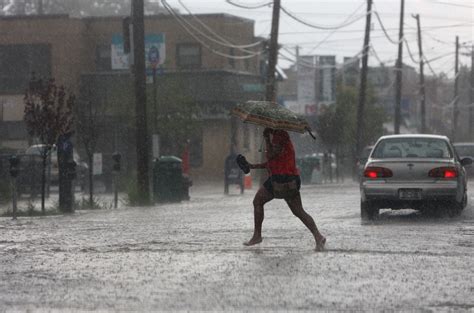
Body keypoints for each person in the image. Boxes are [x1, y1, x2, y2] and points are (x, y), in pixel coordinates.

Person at [244, 128, 326, 251]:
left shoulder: (279, 135)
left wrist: (267, 139)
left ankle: (257, 235)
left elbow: (271, 155)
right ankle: (318, 236)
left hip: (281, 179)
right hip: (291, 179)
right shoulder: (282, 136)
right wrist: (253, 166)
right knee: (299, 211)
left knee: (258, 201)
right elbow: (273, 162)